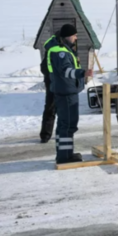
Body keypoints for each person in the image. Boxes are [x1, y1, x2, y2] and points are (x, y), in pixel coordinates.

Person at [48, 24, 92, 163]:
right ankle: (65, 156)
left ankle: (63, 153)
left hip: (66, 90)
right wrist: (83, 73)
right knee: (68, 124)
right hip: (66, 92)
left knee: (63, 124)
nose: (76, 38)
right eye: (74, 35)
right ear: (67, 36)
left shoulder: (63, 49)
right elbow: (66, 71)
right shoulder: (60, 52)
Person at [38, 33, 60, 143]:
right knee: (51, 107)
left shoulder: (65, 47)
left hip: (62, 83)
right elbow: (44, 67)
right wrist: (53, 76)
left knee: (61, 109)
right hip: (52, 83)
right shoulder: (53, 49)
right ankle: (45, 134)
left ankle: (61, 133)